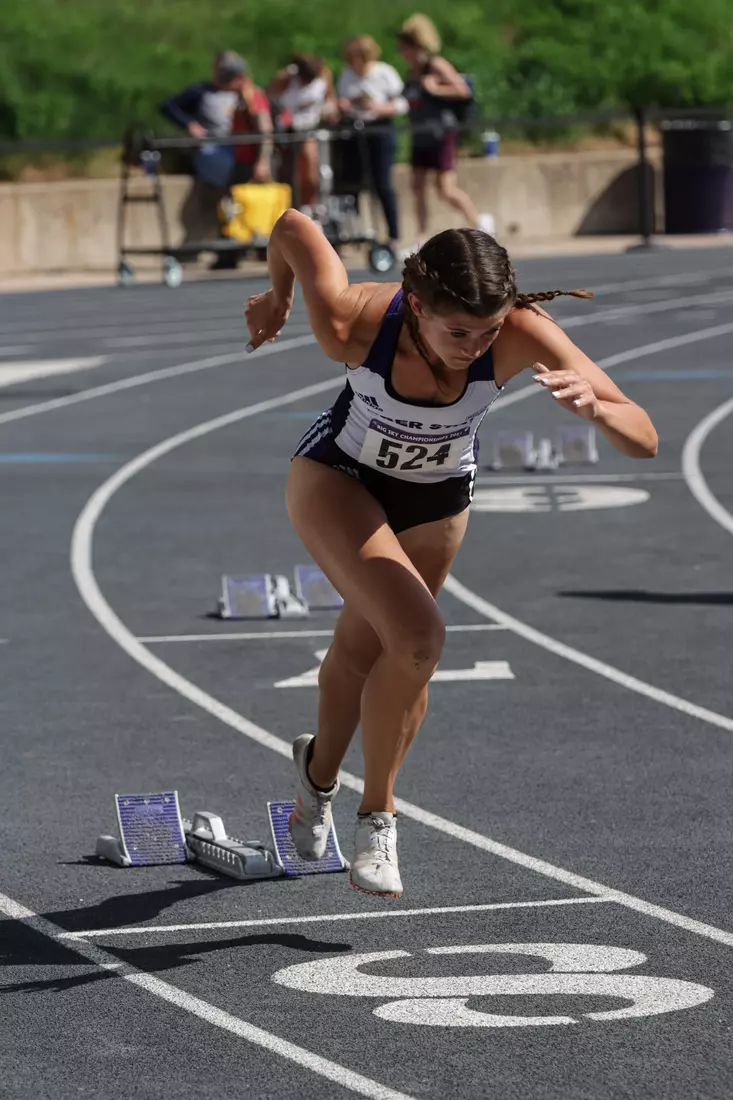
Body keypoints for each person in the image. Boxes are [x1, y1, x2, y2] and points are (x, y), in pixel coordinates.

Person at [244, 209, 658, 897]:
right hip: (339, 480)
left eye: (489, 331)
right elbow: (291, 226)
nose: (475, 347)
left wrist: (598, 410)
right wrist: (279, 297)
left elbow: (642, 438)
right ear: (414, 306)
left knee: (370, 649)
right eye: (457, 332)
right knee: (417, 638)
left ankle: (315, 778)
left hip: (435, 501)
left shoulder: (520, 332)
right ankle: (377, 816)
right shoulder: (352, 322)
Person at [160, 51, 271, 265]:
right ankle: (230, 245)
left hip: (245, 157)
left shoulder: (250, 96)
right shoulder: (202, 92)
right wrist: (189, 124)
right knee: (228, 190)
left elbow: (267, 123)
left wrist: (263, 159)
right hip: (216, 153)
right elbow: (168, 106)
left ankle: (245, 242)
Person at [396, 14, 492, 244]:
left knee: (445, 189)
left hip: (441, 133)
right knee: (417, 187)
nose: (401, 52)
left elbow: (463, 90)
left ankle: (479, 222)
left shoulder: (435, 65)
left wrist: (436, 89)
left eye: (404, 47)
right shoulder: (412, 73)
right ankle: (422, 235)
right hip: (420, 135)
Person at [336, 35, 408, 249]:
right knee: (352, 182)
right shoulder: (347, 75)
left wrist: (378, 107)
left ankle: (393, 235)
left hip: (380, 128)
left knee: (382, 183)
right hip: (356, 130)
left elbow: (402, 103)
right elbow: (343, 99)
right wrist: (345, 106)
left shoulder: (384, 72)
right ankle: (355, 233)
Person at [269, 55, 337, 207]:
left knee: (309, 171)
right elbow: (270, 96)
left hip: (309, 129)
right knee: (286, 172)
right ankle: (287, 207)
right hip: (287, 129)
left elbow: (330, 98)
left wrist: (329, 111)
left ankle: (309, 206)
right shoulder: (286, 79)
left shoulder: (323, 77)